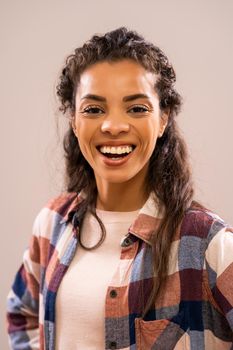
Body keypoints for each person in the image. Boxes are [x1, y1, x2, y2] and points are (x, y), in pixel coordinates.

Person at [6, 27, 233, 350]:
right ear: (74, 120)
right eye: (94, 109)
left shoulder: (207, 243)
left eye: (137, 108)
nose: (113, 126)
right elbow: (22, 314)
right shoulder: (52, 222)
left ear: (163, 118)